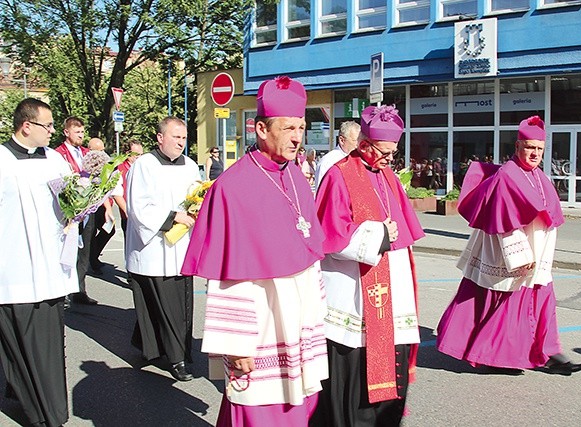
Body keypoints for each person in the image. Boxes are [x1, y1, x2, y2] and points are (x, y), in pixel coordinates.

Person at [182, 76, 328, 426]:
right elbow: (229, 275)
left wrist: (316, 315)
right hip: (260, 331)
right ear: (262, 128)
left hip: (298, 326)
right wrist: (236, 345)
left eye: (302, 127)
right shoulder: (233, 188)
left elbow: (309, 256)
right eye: (289, 127)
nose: (298, 137)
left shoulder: (296, 176)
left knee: (300, 408)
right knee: (257, 412)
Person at [435, 116, 581, 376]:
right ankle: (498, 355)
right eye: (529, 147)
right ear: (517, 147)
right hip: (511, 254)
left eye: (539, 149)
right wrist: (520, 256)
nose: (535, 153)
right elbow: (503, 222)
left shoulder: (539, 176)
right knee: (509, 305)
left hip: (538, 254)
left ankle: (548, 352)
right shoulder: (508, 175)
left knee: (540, 302)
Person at [311, 105, 425, 427]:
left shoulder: (388, 176)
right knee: (354, 374)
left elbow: (403, 231)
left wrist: (390, 238)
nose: (390, 159)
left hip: (391, 289)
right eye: (385, 151)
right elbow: (330, 237)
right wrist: (379, 234)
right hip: (352, 294)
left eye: (393, 152)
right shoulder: (339, 175)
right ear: (364, 144)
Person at [0, 98, 79, 426]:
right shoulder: (2, 160)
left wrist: (80, 208)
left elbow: (70, 202)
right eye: (47, 126)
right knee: (18, 347)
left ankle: (52, 412)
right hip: (12, 270)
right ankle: (32, 405)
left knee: (47, 347)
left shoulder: (54, 161)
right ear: (26, 126)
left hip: (49, 270)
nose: (51, 131)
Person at [125, 117, 200, 381]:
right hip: (155, 249)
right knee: (167, 305)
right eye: (175, 137)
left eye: (183, 138)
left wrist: (197, 211)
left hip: (181, 246)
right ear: (159, 137)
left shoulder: (190, 165)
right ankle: (177, 359)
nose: (180, 142)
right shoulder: (144, 165)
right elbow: (138, 206)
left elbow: (197, 196)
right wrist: (173, 217)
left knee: (179, 304)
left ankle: (153, 346)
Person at [55, 117, 100, 306]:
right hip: (70, 210)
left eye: (82, 132)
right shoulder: (58, 154)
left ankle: (79, 290)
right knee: (67, 251)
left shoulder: (87, 153)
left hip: (87, 210)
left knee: (84, 252)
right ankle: (63, 291)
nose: (81, 135)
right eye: (77, 132)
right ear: (67, 132)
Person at [87, 137, 117, 275]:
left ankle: (92, 256)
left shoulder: (107, 164)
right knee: (91, 233)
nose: (102, 153)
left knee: (109, 230)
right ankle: (92, 261)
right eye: (99, 150)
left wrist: (108, 208)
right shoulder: (87, 164)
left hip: (102, 204)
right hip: (90, 205)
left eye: (103, 150)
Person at [112, 139, 144, 247]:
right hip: (129, 216)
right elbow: (117, 194)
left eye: (141, 155)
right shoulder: (119, 169)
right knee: (130, 248)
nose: (139, 157)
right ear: (127, 153)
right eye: (136, 154)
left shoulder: (143, 167)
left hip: (143, 214)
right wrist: (128, 212)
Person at [314, 120, 360, 190]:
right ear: (342, 140)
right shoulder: (328, 162)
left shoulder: (359, 160)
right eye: (355, 141)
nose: (359, 145)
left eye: (361, 141)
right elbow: (322, 193)